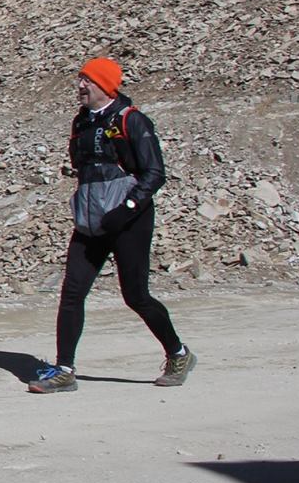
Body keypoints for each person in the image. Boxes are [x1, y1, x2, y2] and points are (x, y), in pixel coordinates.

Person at [28, 57, 195, 394]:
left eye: (86, 81)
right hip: (91, 221)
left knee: (136, 296)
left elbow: (155, 173)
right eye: (79, 80)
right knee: (72, 292)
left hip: (128, 221)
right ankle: (64, 370)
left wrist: (127, 207)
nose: (80, 87)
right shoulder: (82, 123)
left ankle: (178, 353)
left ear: (105, 85)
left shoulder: (132, 121)